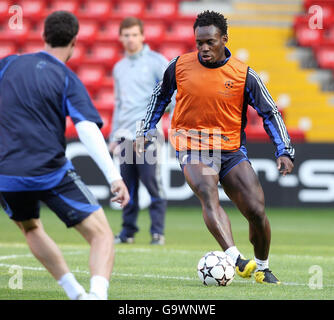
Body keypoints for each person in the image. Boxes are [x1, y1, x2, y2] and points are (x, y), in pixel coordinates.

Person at [136, 10, 295, 284]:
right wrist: (144, 131)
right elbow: (158, 97)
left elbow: (270, 112)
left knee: (256, 211)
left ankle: (262, 267)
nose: (204, 48)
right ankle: (235, 259)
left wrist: (283, 150)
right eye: (199, 43)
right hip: (192, 145)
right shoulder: (179, 66)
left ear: (224, 39)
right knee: (208, 192)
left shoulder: (245, 75)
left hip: (231, 150)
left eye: (210, 42)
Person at [0, 11, 129, 300]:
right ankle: (95, 296)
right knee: (102, 235)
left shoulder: (7, 65)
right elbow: (86, 129)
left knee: (31, 227)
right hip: (50, 171)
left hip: (6, 175)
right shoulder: (65, 77)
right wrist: (113, 177)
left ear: (44, 36)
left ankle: (75, 293)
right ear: (74, 42)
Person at [109, 17, 168, 245]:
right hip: (125, 135)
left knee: (152, 183)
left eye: (134, 34)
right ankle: (128, 232)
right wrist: (114, 135)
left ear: (143, 36)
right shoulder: (119, 67)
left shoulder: (156, 62)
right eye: (126, 35)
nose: (130, 39)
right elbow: (118, 104)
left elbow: (169, 95)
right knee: (128, 184)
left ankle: (157, 233)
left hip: (148, 135)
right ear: (120, 37)